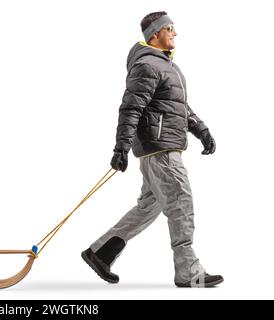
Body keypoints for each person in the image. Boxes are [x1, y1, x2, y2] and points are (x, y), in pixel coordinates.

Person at [81, 11, 223, 288]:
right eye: (170, 28)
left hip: (161, 149)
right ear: (156, 33)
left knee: (149, 206)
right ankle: (189, 271)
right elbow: (131, 108)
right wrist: (121, 147)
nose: (175, 33)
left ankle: (100, 252)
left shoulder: (167, 66)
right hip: (161, 150)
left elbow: (178, 106)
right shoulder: (148, 65)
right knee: (180, 202)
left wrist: (200, 129)